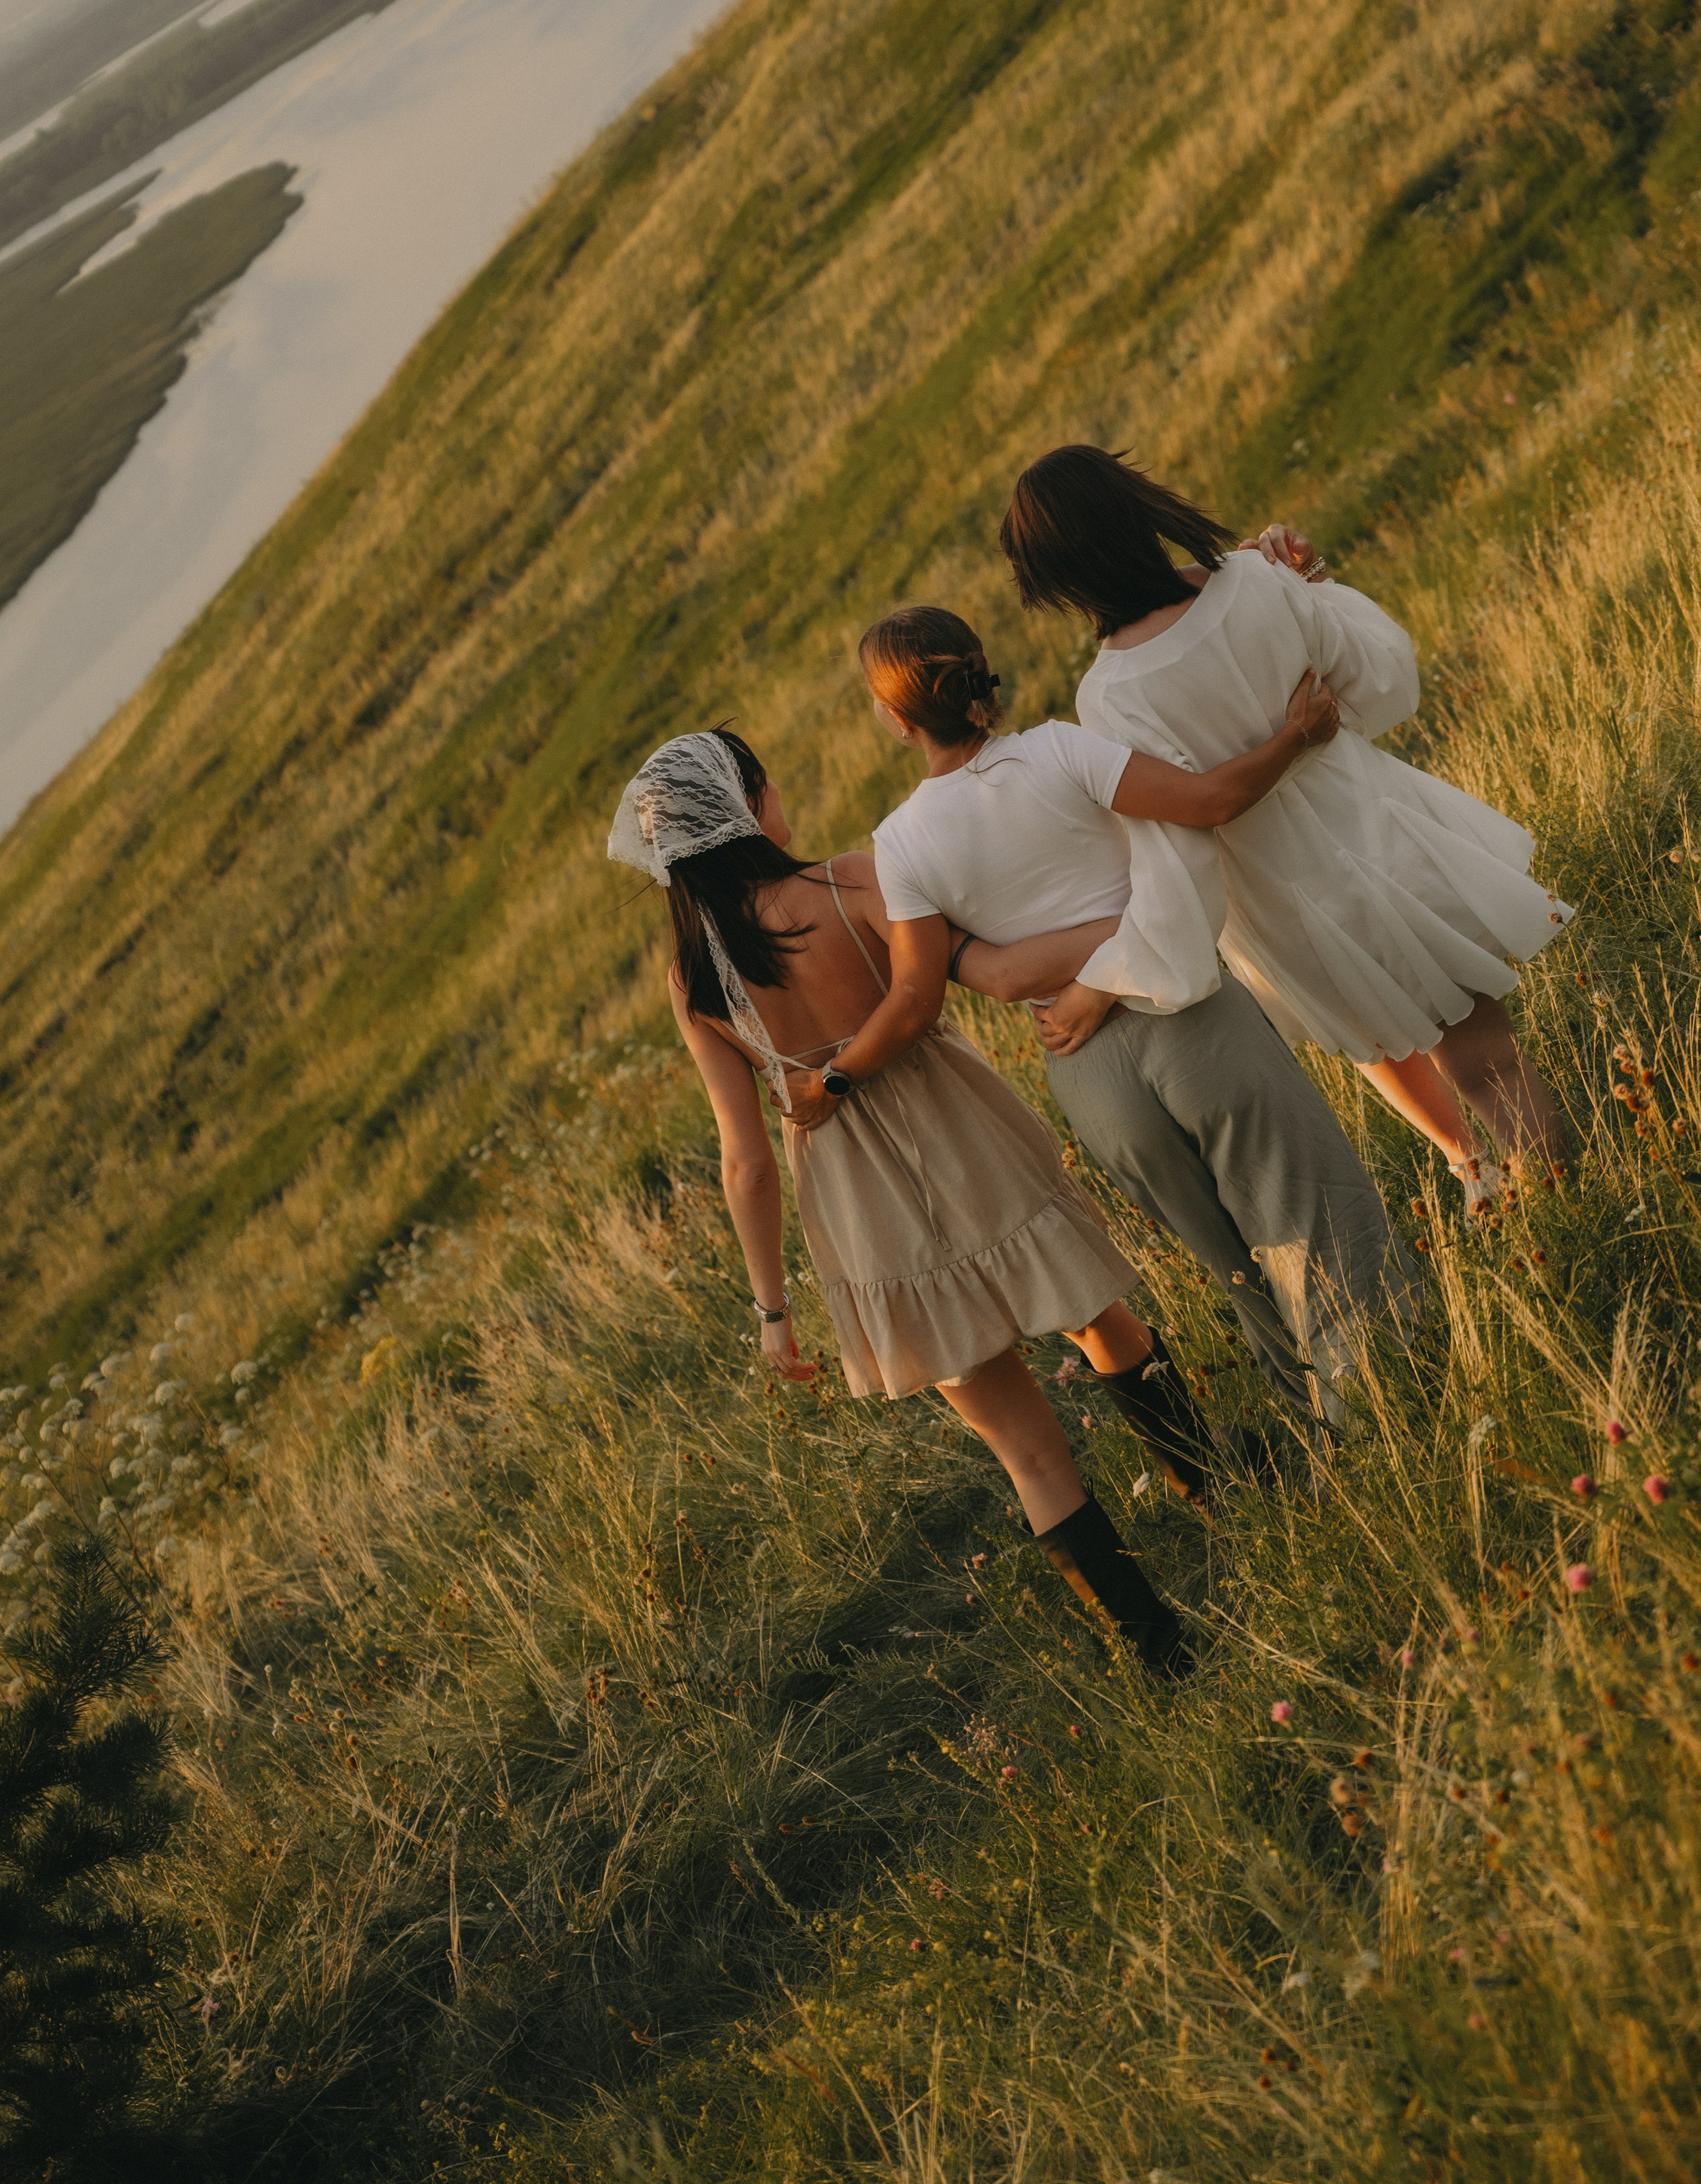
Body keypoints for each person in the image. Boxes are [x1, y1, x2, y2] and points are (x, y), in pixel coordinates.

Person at [610, 724, 1284, 1679]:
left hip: (853, 1191)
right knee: (1099, 1317)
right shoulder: (850, 883)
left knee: (1023, 1446)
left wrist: (774, 1311)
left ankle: (1160, 1651)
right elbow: (947, 983)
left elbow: (745, 1160)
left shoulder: (694, 980)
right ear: (749, 803)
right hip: (959, 1128)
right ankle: (1212, 1486)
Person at [860, 606, 1418, 1447]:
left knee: (1231, 1265)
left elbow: (984, 978)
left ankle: (1320, 1435)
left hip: (1087, 1074)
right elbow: (1209, 801)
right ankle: (1392, 1411)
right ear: (980, 672)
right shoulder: (1059, 749)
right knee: (1312, 1218)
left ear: (898, 720)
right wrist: (1294, 735)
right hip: (1186, 1013)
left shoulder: (898, 846)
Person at [997, 447, 1574, 1192]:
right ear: (1137, 511)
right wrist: (1307, 591)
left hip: (1280, 896)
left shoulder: (1109, 695)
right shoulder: (1252, 582)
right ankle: (1555, 1197)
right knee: (1485, 1057)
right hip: (1380, 830)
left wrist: (1111, 975)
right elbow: (1379, 679)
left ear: (1059, 577)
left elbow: (1182, 838)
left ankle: (1508, 1182)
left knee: (1376, 1036)